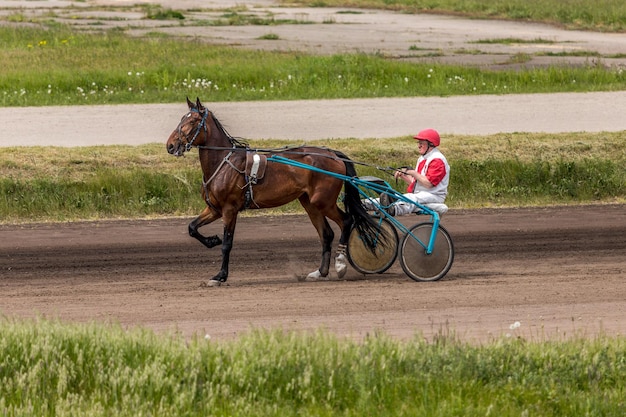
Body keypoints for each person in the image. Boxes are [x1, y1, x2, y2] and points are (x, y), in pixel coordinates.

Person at [365, 128, 450, 216]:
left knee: (408, 198)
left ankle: (392, 210)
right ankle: (366, 204)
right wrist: (403, 175)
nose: (419, 146)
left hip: (434, 196)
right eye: (418, 143)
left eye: (421, 143)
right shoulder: (422, 159)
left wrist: (412, 173)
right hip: (422, 194)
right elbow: (416, 183)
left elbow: (428, 184)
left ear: (430, 144)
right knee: (395, 197)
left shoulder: (437, 160)